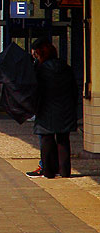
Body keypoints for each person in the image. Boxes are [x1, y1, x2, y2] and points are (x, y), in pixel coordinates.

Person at [26, 39, 78, 179]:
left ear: (39, 53)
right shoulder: (65, 67)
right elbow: (74, 89)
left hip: (46, 108)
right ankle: (65, 171)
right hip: (65, 109)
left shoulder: (40, 70)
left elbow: (34, 89)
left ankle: (48, 172)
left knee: (46, 139)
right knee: (63, 140)